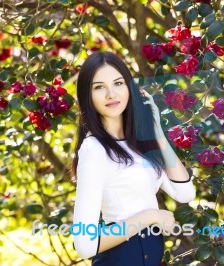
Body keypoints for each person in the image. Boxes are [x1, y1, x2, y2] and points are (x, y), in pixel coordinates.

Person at [69, 51, 196, 266]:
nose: (111, 94)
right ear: (87, 96)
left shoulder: (139, 142)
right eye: (99, 87)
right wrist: (150, 216)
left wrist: (157, 134)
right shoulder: (94, 149)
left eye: (118, 83)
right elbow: (85, 244)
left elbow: (184, 193)